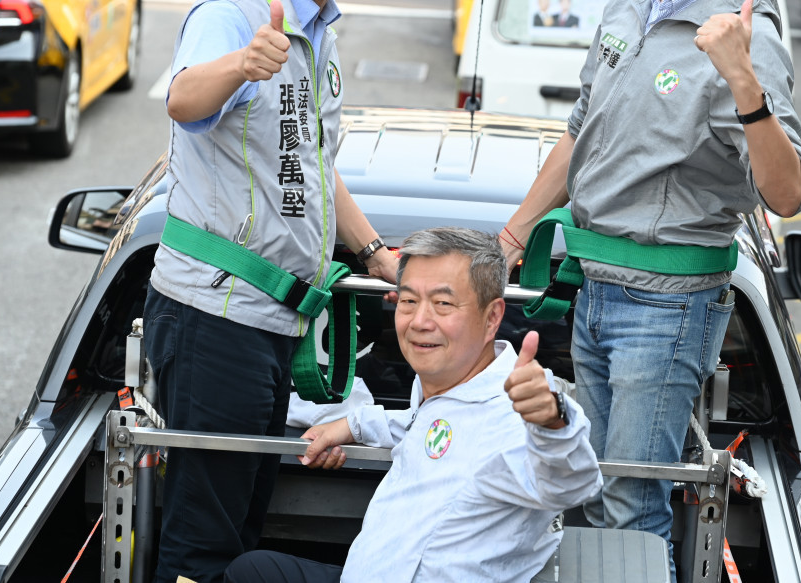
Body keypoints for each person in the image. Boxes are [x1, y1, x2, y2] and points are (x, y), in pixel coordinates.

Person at [497, 0, 801, 572]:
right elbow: (581, 133)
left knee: (631, 505)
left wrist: (743, 82)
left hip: (666, 305)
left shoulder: (746, 29)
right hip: (596, 290)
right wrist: (509, 238)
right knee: (580, 487)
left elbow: (789, 191)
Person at [142, 0, 400, 583]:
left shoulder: (319, 27)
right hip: (212, 317)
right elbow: (184, 98)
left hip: (269, 323)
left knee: (242, 524)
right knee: (202, 540)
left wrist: (377, 253)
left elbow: (315, 170)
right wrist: (240, 64)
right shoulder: (236, 13)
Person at [224, 227, 603, 583]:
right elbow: (418, 424)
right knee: (252, 570)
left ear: (492, 318)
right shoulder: (451, 386)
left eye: (442, 303)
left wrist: (553, 423)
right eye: (408, 300)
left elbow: (572, 483)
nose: (419, 321)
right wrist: (352, 425)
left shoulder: (516, 415)